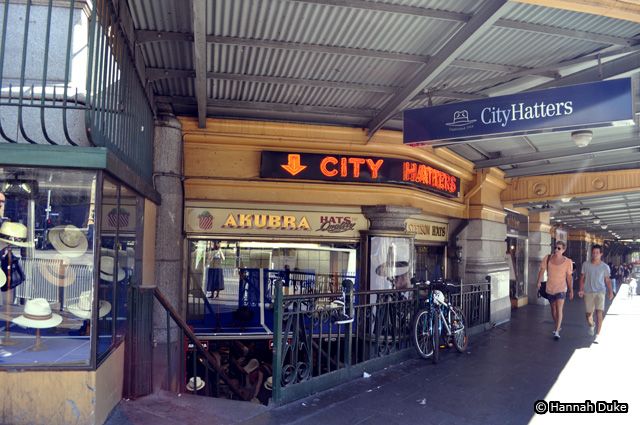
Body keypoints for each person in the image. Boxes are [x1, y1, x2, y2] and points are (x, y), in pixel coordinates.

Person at [536, 241, 573, 340]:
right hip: (550, 288)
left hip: (561, 289)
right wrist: (538, 282)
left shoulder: (568, 262)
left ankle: (556, 331)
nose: (556, 250)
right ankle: (557, 325)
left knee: (559, 308)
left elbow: (569, 277)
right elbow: (542, 270)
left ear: (563, 250)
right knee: (553, 309)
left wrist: (571, 290)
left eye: (559, 248)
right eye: (555, 248)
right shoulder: (547, 258)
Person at [578, 244, 614, 343]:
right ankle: (591, 325)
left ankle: (598, 334)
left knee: (599, 313)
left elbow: (607, 280)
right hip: (588, 292)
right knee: (588, 314)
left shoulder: (605, 267)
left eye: (597, 253)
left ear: (601, 254)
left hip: (600, 292)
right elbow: (582, 278)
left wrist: (610, 292)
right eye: (593, 253)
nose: (595, 255)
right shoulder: (586, 264)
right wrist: (581, 289)